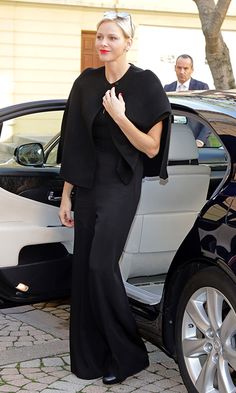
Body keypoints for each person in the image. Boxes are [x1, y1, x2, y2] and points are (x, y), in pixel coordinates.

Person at [58, 11, 171, 386]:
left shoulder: (146, 84)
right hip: (87, 185)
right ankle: (92, 356)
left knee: (100, 267)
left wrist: (121, 117)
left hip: (121, 183)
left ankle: (128, 354)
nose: (103, 43)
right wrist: (67, 196)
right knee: (83, 272)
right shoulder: (86, 82)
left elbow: (152, 149)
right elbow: (73, 143)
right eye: (100, 37)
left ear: (128, 42)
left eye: (113, 38)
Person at [164, 54, 210, 147]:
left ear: (192, 69)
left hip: (197, 142)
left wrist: (201, 140)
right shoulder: (167, 88)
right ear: (175, 68)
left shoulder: (202, 88)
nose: (182, 72)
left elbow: (208, 117)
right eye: (179, 68)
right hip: (172, 143)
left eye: (185, 68)